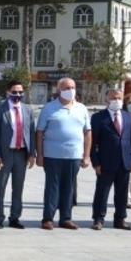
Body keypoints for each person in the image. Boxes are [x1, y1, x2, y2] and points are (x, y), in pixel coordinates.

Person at [35, 77, 91, 230]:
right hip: (52, 155)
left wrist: (86, 155)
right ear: (59, 90)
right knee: (52, 187)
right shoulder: (49, 108)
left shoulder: (81, 108)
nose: (70, 90)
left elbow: (87, 133)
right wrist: (39, 154)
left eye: (72, 87)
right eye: (66, 88)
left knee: (69, 187)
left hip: (74, 155)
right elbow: (39, 132)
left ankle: (66, 218)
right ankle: (48, 218)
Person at [89, 88, 131, 231]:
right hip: (105, 163)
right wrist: (96, 162)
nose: (116, 100)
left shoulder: (128, 117)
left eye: (119, 98)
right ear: (107, 100)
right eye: (113, 98)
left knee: (122, 193)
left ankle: (120, 219)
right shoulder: (98, 117)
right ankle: (98, 219)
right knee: (102, 192)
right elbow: (93, 143)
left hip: (125, 161)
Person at [0, 80, 35, 229]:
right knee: (0, 186)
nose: (18, 95)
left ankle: (15, 217)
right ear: (8, 92)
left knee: (18, 187)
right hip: (5, 154)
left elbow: (31, 133)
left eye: (20, 92)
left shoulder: (27, 110)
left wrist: (32, 154)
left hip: (21, 153)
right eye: (14, 92)